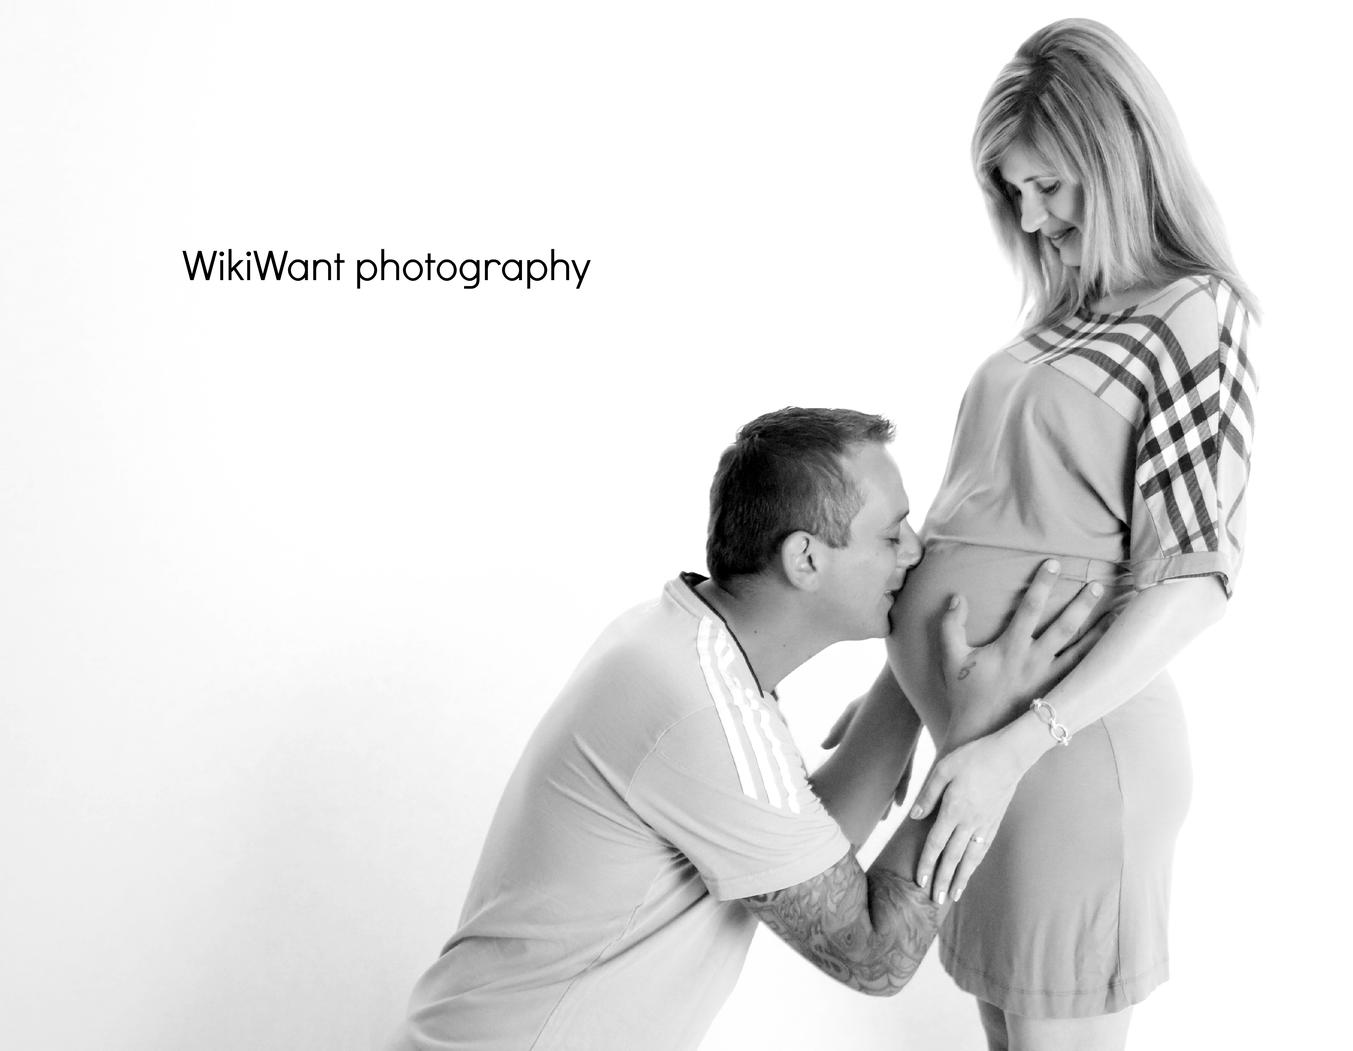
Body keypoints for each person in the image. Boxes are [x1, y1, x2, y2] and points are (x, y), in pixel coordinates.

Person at [386, 407, 1107, 1051]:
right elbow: (872, 954)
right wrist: (978, 733)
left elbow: (805, 849)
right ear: (805, 558)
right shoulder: (700, 710)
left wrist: (918, 682)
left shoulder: (687, 646)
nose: (915, 552)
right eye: (892, 535)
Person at [877, 19, 1261, 1051]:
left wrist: (1018, 743)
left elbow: (1195, 578)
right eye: (1012, 191)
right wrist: (900, 697)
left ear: (1121, 154)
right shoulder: (1059, 321)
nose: (1032, 218)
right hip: (983, 752)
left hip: (1069, 752)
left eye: (1050, 185)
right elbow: (972, 529)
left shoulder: (1190, 313)